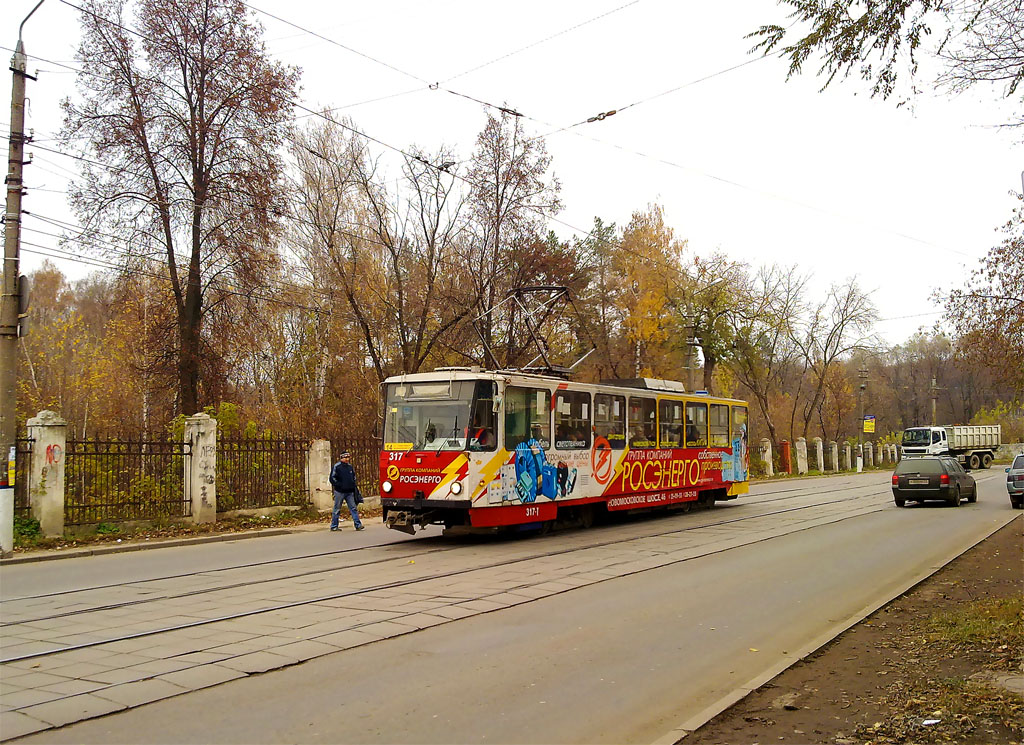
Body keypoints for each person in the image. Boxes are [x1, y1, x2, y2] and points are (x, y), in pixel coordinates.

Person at [329, 451, 364, 531]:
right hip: (339, 492)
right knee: (337, 509)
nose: (347, 459)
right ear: (341, 458)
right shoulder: (337, 467)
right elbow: (332, 478)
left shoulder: (349, 467)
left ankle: (358, 525)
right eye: (345, 457)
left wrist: (352, 486)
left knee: (353, 508)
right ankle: (334, 526)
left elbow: (353, 478)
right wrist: (339, 485)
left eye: (348, 457)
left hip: (349, 492)